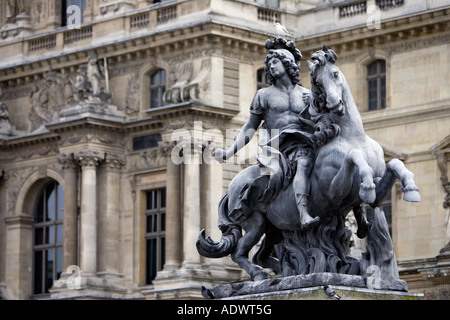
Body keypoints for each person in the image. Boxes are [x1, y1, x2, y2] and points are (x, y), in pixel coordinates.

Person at [215, 45, 319, 229]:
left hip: (304, 142)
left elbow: (317, 123)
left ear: (287, 64)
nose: (271, 67)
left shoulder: (306, 95)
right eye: (269, 63)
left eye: (275, 62)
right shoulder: (263, 95)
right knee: (302, 163)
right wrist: (228, 153)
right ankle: (303, 215)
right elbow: (249, 127)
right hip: (277, 146)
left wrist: (313, 107)